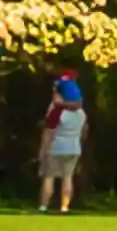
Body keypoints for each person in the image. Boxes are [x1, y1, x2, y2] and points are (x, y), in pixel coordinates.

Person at [37, 75, 86, 215]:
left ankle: (44, 206)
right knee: (68, 177)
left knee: (49, 176)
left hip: (57, 146)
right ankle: (65, 207)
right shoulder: (81, 113)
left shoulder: (57, 113)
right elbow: (83, 131)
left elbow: (49, 133)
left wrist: (43, 150)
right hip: (74, 147)